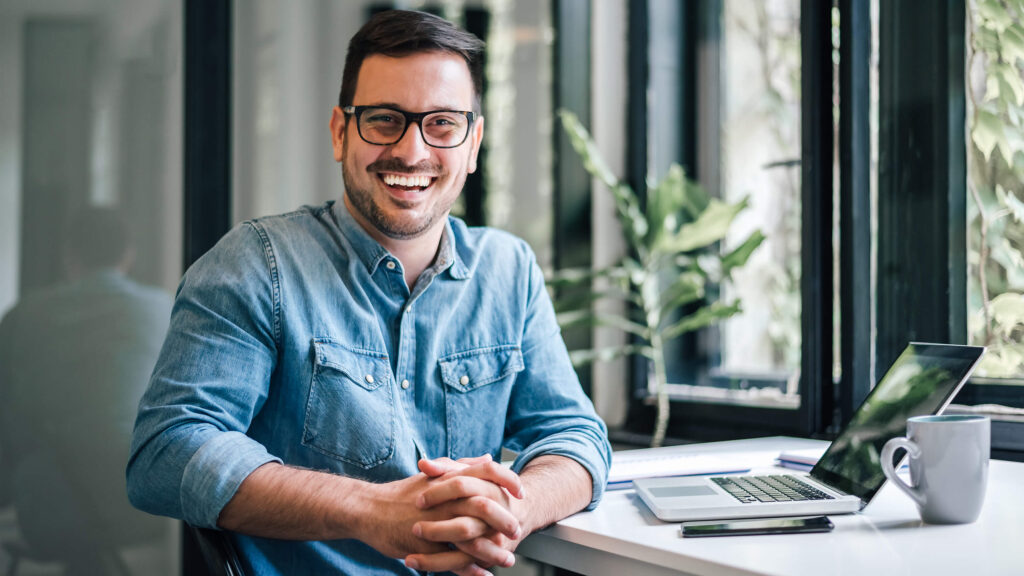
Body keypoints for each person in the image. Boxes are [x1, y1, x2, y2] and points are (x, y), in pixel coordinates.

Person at [126, 9, 611, 576]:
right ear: (340, 132)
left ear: (473, 143)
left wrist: (505, 509)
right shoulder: (256, 265)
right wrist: (370, 509)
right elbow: (166, 451)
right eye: (384, 120)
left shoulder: (510, 270)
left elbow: (573, 435)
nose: (410, 151)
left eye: (443, 124)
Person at [0, 207, 172, 574]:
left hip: (48, 507)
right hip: (143, 503)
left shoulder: (23, 316)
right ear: (128, 254)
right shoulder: (163, 310)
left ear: (69, 254)